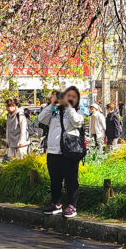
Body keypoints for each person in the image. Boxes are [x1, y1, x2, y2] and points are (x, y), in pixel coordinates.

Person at [38, 87, 85, 219]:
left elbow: (77, 122)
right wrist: (51, 105)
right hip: (53, 151)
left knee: (71, 180)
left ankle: (72, 206)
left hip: (69, 152)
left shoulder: (78, 111)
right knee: (55, 180)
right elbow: (41, 119)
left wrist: (68, 106)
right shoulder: (54, 112)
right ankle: (56, 204)